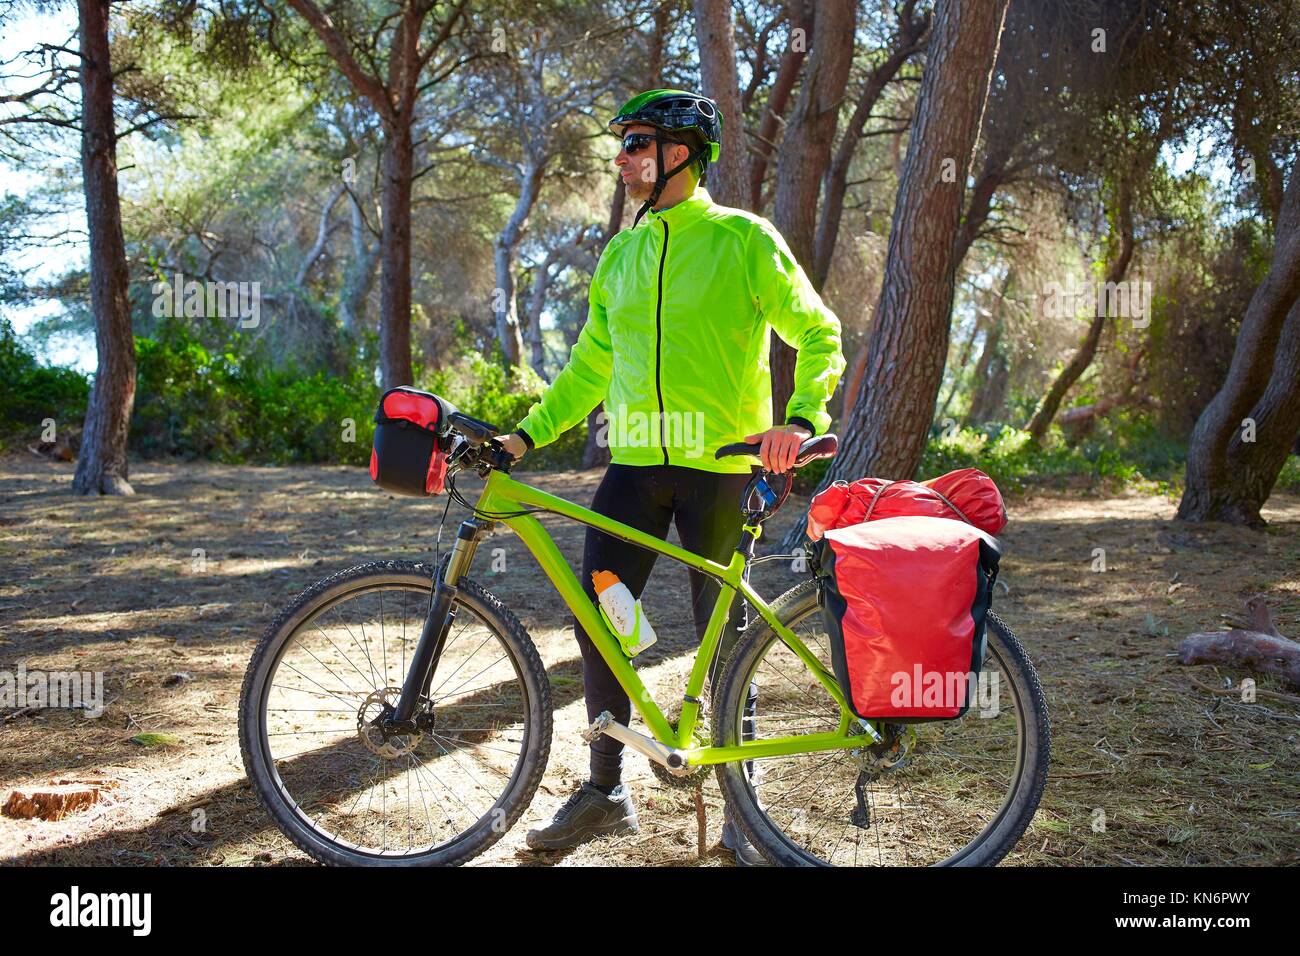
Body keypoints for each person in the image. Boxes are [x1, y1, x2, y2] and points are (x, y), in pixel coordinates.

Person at [494, 89, 844, 865]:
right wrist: (527, 436)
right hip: (636, 470)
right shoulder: (621, 253)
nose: (621, 159)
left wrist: (803, 418)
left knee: (729, 641)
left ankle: (743, 812)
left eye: (637, 143)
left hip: (721, 471)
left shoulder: (742, 239)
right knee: (606, 616)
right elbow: (591, 366)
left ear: (680, 152)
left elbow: (817, 329)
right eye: (621, 145)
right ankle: (606, 790)